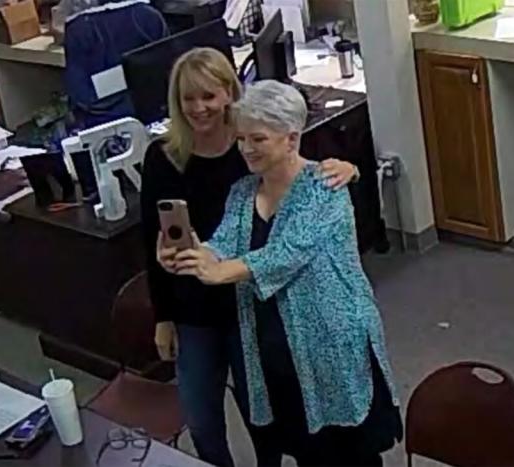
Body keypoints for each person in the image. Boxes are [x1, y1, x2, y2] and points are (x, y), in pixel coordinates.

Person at [141, 48, 359, 467]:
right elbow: (219, 236)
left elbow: (287, 248)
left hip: (260, 308)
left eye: (209, 96)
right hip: (202, 306)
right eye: (189, 98)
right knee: (205, 418)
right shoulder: (193, 167)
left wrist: (351, 169)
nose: (199, 108)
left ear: (229, 94)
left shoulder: (278, 166)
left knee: (275, 418)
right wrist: (188, 267)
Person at [167, 80, 402, 467]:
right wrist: (195, 254)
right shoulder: (243, 192)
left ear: (291, 139)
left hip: (329, 346)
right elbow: (223, 240)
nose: (245, 148)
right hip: (275, 352)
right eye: (241, 138)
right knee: (306, 450)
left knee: (348, 453)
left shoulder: (324, 187)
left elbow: (287, 253)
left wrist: (221, 271)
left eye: (257, 139)